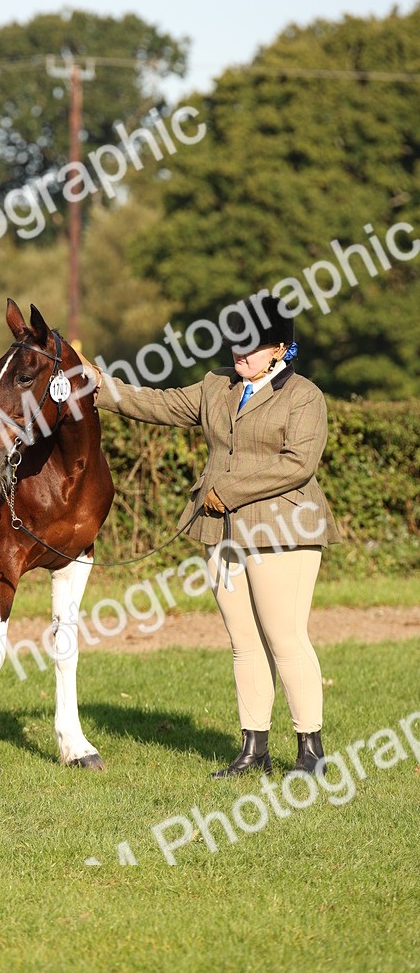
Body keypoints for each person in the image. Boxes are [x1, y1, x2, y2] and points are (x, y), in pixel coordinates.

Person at [81, 294, 340, 777]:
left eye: (251, 347)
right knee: (243, 641)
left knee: (285, 638)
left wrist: (229, 488)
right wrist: (101, 386)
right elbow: (158, 403)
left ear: (280, 349)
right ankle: (254, 748)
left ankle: (311, 752)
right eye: (235, 346)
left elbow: (298, 464)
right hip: (221, 528)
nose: (239, 355)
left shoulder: (304, 396)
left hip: (285, 527)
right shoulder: (216, 386)